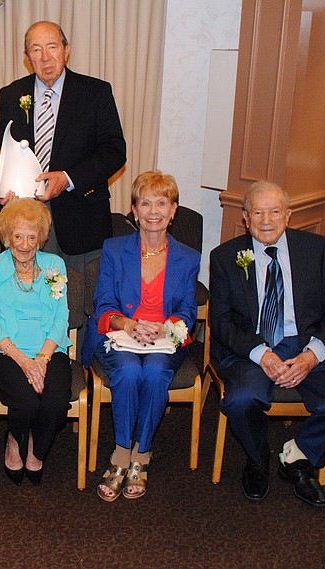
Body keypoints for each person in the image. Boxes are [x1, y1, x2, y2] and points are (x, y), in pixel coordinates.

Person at [209, 181, 325, 507]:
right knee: (240, 400)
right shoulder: (226, 257)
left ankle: (298, 456)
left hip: (307, 344)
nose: (267, 220)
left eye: (275, 211)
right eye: (258, 212)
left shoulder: (317, 249)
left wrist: (310, 357)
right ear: (246, 218)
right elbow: (221, 322)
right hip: (252, 348)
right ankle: (257, 458)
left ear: (288, 215)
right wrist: (263, 355)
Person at [83, 171, 199, 501]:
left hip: (165, 337)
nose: (153, 211)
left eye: (162, 202)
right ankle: (122, 453)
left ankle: (142, 454)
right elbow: (103, 301)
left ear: (173, 210)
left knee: (155, 372)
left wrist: (165, 327)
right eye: (145, 202)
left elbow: (189, 311)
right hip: (121, 334)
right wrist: (128, 323)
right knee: (131, 371)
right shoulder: (115, 249)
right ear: (134, 209)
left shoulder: (188, 258)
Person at [0, 21, 127, 272]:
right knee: (30, 300)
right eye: (36, 49)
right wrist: (3, 184)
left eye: (52, 47)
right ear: (27, 57)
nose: (45, 57)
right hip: (26, 222)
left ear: (66, 50)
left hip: (81, 219)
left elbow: (114, 151)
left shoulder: (95, 92)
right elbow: (6, 151)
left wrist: (68, 178)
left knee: (79, 301)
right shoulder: (11, 95)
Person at [0, 198, 72, 486]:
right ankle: (14, 438)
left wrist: (43, 360)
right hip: (8, 352)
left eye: (31, 237)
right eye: (18, 236)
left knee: (56, 404)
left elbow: (62, 317)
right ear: (7, 237)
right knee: (26, 403)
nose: (24, 244)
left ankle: (37, 447)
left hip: (50, 349)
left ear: (40, 239)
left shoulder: (54, 265)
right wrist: (24, 362)